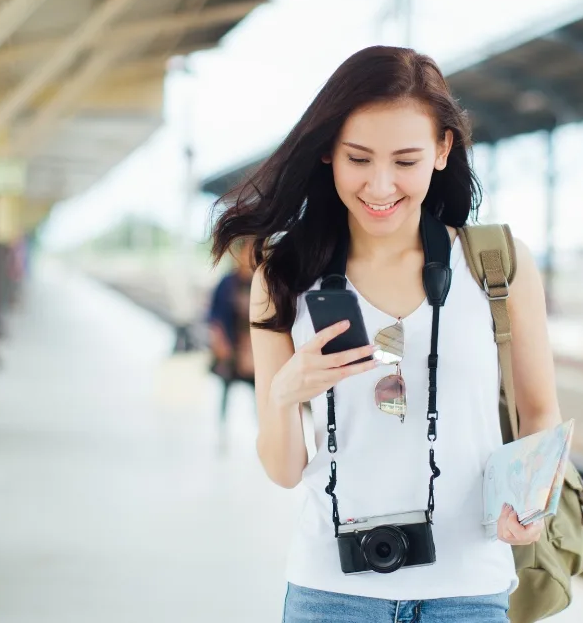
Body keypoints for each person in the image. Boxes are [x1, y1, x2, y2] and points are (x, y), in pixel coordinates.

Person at [209, 46, 564, 622]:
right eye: (358, 158)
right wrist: (284, 391)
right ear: (328, 152)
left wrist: (529, 500)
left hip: (469, 593)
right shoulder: (283, 278)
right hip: (330, 593)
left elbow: (539, 411)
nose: (379, 186)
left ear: (443, 150)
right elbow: (281, 471)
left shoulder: (498, 266)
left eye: (405, 160)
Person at [206, 238, 257, 445]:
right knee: (226, 392)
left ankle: (261, 435)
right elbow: (215, 316)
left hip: (255, 353)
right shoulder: (227, 283)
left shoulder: (261, 282)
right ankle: (222, 432)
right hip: (231, 349)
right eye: (246, 252)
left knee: (259, 395)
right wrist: (220, 344)